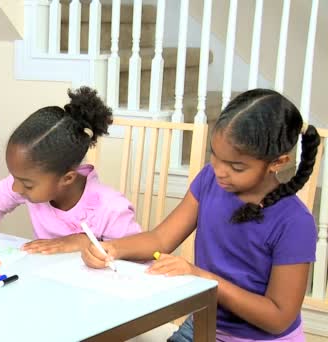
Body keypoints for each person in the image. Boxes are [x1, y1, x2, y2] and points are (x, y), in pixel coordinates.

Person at [82, 89, 319, 341]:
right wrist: (112, 248)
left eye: (236, 166)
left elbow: (277, 318)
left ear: (277, 163)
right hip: (204, 324)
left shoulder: (294, 222)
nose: (220, 171)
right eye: (214, 156)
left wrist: (202, 278)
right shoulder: (209, 180)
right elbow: (161, 239)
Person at [0, 87, 141, 254]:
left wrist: (84, 243)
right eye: (15, 178)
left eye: (26, 184)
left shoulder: (110, 208)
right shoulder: (29, 181)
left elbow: (138, 259)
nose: (16, 188)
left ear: (67, 178)